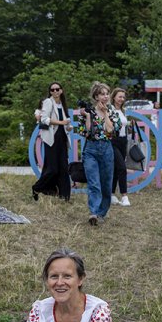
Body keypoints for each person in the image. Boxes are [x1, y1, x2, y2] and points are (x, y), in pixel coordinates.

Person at [81, 82, 121, 226]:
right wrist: (87, 117)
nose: (105, 97)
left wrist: (104, 114)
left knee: (106, 183)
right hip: (91, 149)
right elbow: (86, 132)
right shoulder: (88, 111)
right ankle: (93, 212)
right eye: (102, 94)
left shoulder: (112, 112)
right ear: (96, 96)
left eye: (107, 94)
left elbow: (111, 131)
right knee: (93, 182)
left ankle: (101, 212)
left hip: (106, 149)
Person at [31, 82, 72, 202]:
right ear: (50, 92)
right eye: (52, 90)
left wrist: (67, 126)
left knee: (64, 168)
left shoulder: (62, 104)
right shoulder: (48, 102)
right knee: (52, 168)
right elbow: (44, 119)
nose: (55, 91)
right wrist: (61, 123)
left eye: (57, 89)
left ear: (61, 90)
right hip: (51, 138)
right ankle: (37, 188)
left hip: (62, 138)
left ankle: (65, 197)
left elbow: (65, 123)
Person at [109, 88, 131, 207]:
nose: (121, 99)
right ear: (114, 97)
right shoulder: (110, 109)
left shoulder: (123, 110)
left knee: (117, 169)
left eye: (123, 97)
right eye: (119, 97)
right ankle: (124, 196)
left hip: (123, 140)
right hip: (113, 140)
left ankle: (112, 194)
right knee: (122, 167)